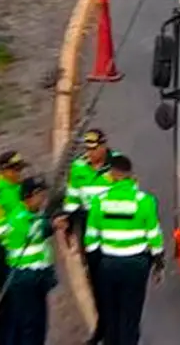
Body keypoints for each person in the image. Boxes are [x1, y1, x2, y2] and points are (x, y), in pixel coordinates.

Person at [84, 155, 164, 345]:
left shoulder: (99, 201)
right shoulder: (145, 201)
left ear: (111, 176)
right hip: (136, 266)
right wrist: (158, 263)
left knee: (111, 315)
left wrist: (94, 267)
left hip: (108, 265)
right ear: (131, 175)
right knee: (130, 315)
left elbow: (91, 240)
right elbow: (154, 236)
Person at [63, 128, 120, 344]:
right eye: (87, 149)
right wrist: (69, 224)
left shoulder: (117, 165)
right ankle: (102, 326)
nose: (90, 153)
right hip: (89, 229)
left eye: (94, 149)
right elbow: (72, 199)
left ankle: (120, 329)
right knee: (95, 281)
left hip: (112, 227)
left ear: (104, 146)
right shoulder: (78, 167)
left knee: (115, 282)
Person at [4, 176, 67, 345]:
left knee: (39, 325)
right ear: (29, 196)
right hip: (24, 279)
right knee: (29, 326)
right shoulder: (18, 217)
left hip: (37, 278)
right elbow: (36, 230)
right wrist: (54, 224)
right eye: (40, 196)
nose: (43, 199)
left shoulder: (34, 214)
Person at [0, 150, 29, 345]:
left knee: (20, 303)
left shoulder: (17, 186)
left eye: (20, 168)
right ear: (3, 171)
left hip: (19, 251)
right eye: (15, 169)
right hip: (4, 254)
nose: (19, 173)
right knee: (7, 304)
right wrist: (24, 224)